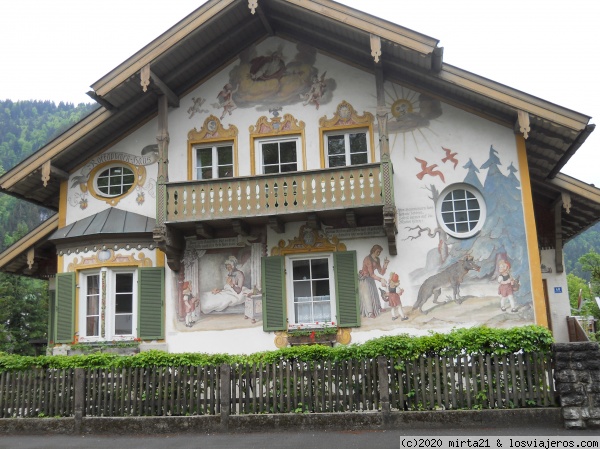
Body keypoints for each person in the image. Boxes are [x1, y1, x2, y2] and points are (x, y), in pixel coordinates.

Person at [358, 244, 389, 318]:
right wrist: (381, 279)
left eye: (380, 252)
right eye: (378, 251)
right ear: (374, 250)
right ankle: (370, 313)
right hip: (365, 278)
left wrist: (385, 265)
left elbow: (381, 272)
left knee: (375, 293)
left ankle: (378, 308)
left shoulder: (377, 259)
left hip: (371, 278)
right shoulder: (367, 259)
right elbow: (371, 274)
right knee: (367, 295)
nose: (379, 253)